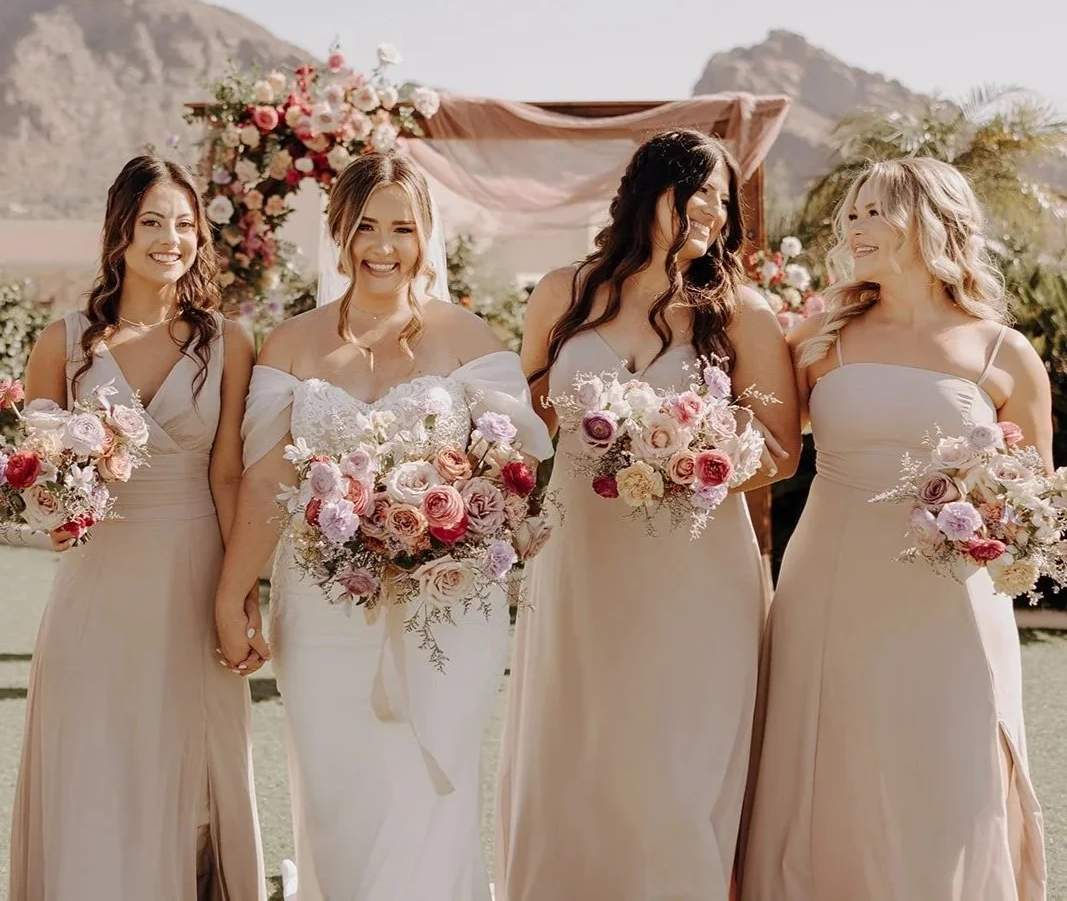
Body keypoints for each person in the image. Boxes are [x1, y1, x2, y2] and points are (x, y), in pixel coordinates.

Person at [214, 152, 552, 901]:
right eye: (366, 225)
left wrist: (458, 521)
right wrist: (231, 595)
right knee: (337, 789)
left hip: (447, 605)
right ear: (339, 230)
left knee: (433, 789)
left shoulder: (468, 335)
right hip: (321, 605)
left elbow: (515, 464)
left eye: (403, 226)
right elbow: (267, 479)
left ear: (426, 234)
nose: (384, 244)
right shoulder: (292, 343)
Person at [495, 129, 801, 901]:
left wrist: (694, 457)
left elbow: (782, 447)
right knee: (578, 746)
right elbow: (524, 420)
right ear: (648, 191)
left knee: (677, 761)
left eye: (722, 199)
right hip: (580, 558)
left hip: (693, 567)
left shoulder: (740, 311)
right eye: (697, 190)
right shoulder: (563, 292)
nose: (711, 210)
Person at [740, 157, 1049, 901]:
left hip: (950, 595)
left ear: (931, 219)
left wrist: (988, 514)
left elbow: (1035, 496)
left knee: (947, 752)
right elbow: (769, 450)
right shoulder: (818, 338)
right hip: (831, 580)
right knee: (829, 750)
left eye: (874, 211)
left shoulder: (1002, 351)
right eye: (850, 213)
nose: (853, 226)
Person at [9, 155, 265, 901]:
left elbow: (227, 474)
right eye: (153, 221)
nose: (170, 238)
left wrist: (239, 592)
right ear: (119, 231)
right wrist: (53, 512)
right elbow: (34, 467)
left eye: (184, 224)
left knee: (189, 768)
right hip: (97, 582)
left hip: (192, 573)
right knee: (95, 754)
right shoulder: (64, 341)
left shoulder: (228, 341)